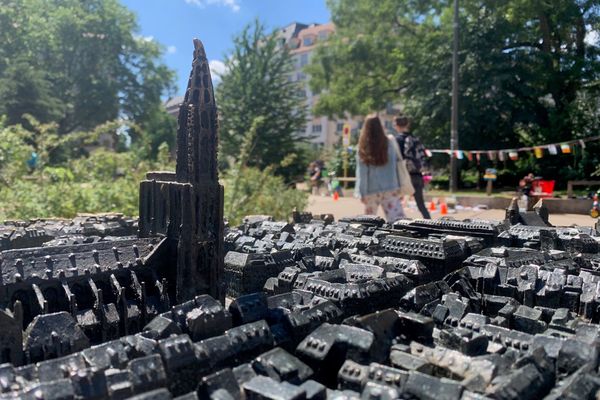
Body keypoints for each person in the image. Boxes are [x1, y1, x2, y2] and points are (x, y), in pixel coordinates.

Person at [355, 115, 405, 221]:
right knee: (397, 222)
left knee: (369, 223)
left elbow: (362, 173)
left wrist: (362, 192)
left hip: (371, 190)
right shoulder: (390, 142)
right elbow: (394, 167)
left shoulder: (363, 146)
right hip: (390, 188)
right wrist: (399, 187)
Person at [394, 115, 431, 219]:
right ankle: (431, 225)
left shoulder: (398, 139)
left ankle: (397, 225)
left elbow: (396, 159)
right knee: (421, 205)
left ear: (396, 125)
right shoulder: (415, 139)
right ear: (407, 124)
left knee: (395, 204)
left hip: (403, 176)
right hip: (418, 176)